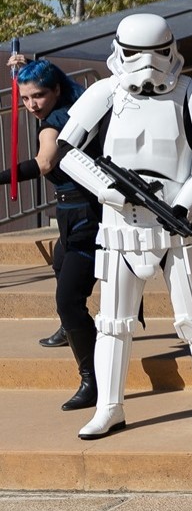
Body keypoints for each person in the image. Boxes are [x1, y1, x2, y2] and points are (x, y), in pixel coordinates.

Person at [55, 13, 192, 438]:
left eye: (155, 53)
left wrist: (186, 204)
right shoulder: (104, 92)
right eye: (136, 54)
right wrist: (111, 191)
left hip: (176, 224)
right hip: (119, 226)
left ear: (170, 49)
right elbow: (66, 150)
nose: (146, 64)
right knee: (113, 324)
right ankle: (109, 407)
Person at [2, 57, 99, 410]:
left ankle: (92, 380)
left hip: (87, 216)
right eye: (25, 98)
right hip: (70, 213)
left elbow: (45, 162)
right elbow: (41, 79)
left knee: (68, 299)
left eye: (38, 96)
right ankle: (68, 327)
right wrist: (24, 66)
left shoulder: (55, 120)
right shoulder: (70, 102)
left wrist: (4, 176)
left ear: (56, 90)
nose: (31, 105)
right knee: (60, 260)